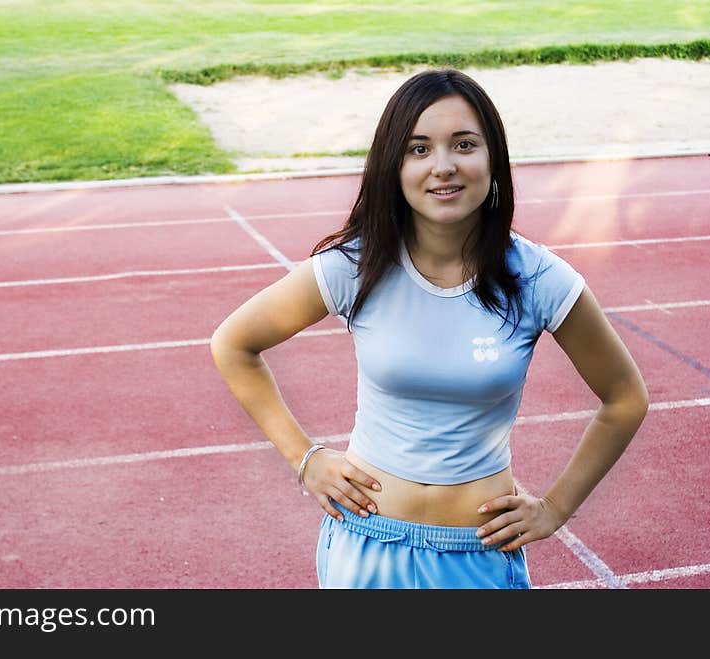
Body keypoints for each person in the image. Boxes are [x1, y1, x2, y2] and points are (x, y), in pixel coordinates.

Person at [209, 68, 649, 589]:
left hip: (476, 554)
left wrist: (554, 508)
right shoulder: (356, 266)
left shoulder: (537, 277)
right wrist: (304, 458)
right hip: (364, 545)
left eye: (463, 144)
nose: (443, 167)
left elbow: (625, 398)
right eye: (418, 149)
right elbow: (233, 343)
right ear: (393, 165)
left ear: (493, 158)